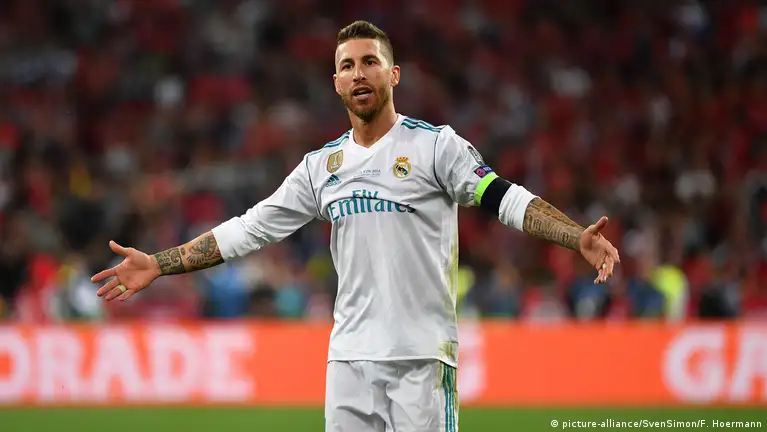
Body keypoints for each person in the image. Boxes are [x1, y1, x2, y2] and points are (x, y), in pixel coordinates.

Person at [92, 20, 620, 432]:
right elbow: (249, 228)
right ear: (336, 82)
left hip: (420, 358)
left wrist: (575, 235)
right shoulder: (321, 168)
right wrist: (159, 263)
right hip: (349, 361)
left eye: (371, 62)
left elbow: (505, 198)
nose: (359, 73)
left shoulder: (436, 147)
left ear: (394, 75)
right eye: (348, 65)